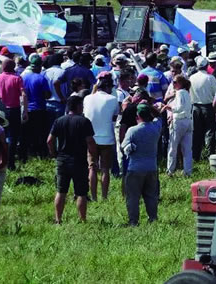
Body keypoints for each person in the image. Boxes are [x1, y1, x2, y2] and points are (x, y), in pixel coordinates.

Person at [48, 95, 97, 224]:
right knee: (81, 192)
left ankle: (58, 219)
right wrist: (93, 156)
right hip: (79, 161)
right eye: (82, 105)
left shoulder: (59, 121)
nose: (83, 108)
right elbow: (90, 142)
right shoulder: (84, 121)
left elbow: (49, 140)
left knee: (61, 191)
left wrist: (54, 153)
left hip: (62, 160)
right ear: (77, 106)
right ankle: (82, 219)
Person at [121, 103, 163, 226]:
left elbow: (124, 146)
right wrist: (151, 107)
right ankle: (153, 218)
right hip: (152, 167)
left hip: (135, 168)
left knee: (133, 197)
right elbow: (159, 116)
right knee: (151, 196)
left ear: (138, 116)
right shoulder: (156, 127)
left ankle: (133, 221)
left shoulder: (132, 130)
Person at [83, 72, 118, 201]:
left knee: (92, 167)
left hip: (91, 137)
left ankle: (93, 196)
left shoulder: (87, 98)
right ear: (108, 87)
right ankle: (104, 196)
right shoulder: (112, 99)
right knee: (105, 169)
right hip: (107, 138)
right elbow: (115, 116)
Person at [0, 59, 27, 169]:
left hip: (0, 111)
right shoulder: (17, 78)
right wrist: (25, 111)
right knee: (13, 137)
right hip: (14, 110)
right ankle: (10, 163)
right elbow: (24, 95)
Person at [163, 75, 193, 177]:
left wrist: (169, 107)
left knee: (172, 147)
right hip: (188, 120)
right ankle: (188, 171)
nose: (173, 84)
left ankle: (170, 171)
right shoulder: (187, 93)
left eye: (175, 82)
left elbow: (179, 108)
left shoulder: (179, 93)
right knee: (187, 149)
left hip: (179, 121)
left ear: (180, 83)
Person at [190, 56, 216, 160]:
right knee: (210, 131)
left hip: (195, 107)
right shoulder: (210, 78)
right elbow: (215, 94)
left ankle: (195, 155)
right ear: (207, 66)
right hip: (208, 107)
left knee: (196, 132)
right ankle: (209, 155)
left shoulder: (192, 77)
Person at [22, 54, 51, 157]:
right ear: (39, 66)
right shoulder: (41, 78)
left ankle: (30, 153)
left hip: (27, 109)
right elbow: (47, 95)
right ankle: (40, 153)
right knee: (40, 133)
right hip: (39, 108)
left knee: (28, 133)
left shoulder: (24, 77)